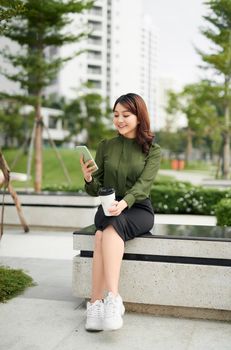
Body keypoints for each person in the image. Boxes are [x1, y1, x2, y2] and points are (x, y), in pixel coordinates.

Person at [80, 93, 161, 332]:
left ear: (139, 117)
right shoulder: (106, 146)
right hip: (108, 207)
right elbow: (97, 187)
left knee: (101, 235)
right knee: (105, 228)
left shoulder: (152, 150)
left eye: (126, 115)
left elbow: (143, 186)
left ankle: (108, 299)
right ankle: (99, 303)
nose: (120, 120)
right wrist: (88, 178)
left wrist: (124, 203)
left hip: (138, 209)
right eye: (116, 115)